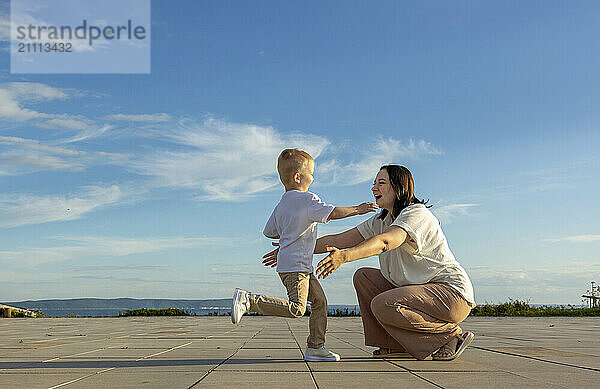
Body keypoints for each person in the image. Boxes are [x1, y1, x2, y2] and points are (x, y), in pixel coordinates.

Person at [264, 165, 475, 361]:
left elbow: (386, 241)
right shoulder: (381, 220)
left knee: (383, 304)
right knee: (363, 277)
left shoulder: (416, 213)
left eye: (381, 182)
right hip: (416, 293)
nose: (373, 187)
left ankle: (450, 336)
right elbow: (337, 240)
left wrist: (345, 256)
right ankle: (393, 345)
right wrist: (288, 248)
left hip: (450, 294)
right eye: (374, 183)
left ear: (399, 187)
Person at [232, 148, 378, 362]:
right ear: (297, 177)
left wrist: (287, 236)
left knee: (320, 302)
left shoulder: (282, 203)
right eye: (311, 173)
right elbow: (332, 212)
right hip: (296, 267)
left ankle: (316, 347)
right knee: (297, 309)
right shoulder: (307, 199)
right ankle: (250, 301)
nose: (314, 177)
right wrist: (358, 209)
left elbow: (269, 231)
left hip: (292, 265)